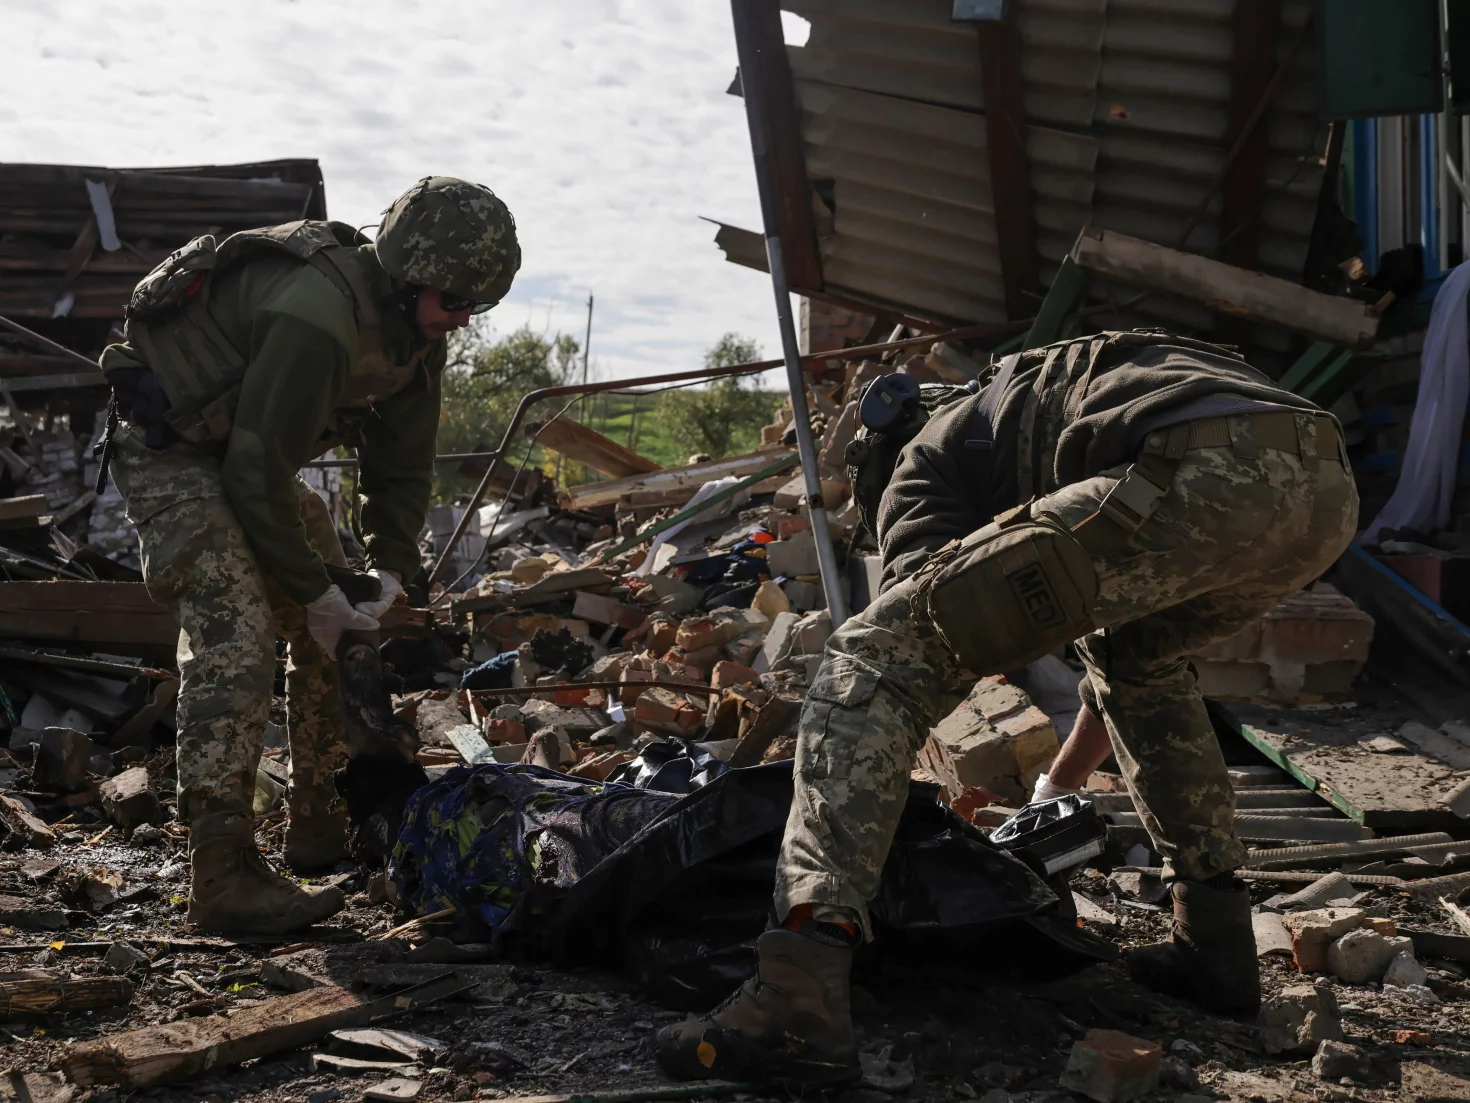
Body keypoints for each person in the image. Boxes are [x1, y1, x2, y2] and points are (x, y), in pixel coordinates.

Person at [657, 330, 1358, 1085]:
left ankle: (797, 993)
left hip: (1197, 461)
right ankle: (1217, 947)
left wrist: (872, 800)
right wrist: (1056, 781)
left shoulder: (921, 454)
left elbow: (913, 642)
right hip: (1322, 486)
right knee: (1139, 662)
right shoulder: (1021, 399)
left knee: (869, 656)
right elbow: (1054, 632)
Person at [97, 177, 520, 934]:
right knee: (239, 627)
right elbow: (254, 480)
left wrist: (388, 574)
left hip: (240, 456)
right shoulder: (317, 315)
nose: (460, 321)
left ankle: (322, 818)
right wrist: (312, 593)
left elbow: (401, 468)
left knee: (348, 617)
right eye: (453, 301)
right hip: (171, 453)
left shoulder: (414, 336)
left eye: (475, 308)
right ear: (408, 274)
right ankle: (221, 870)